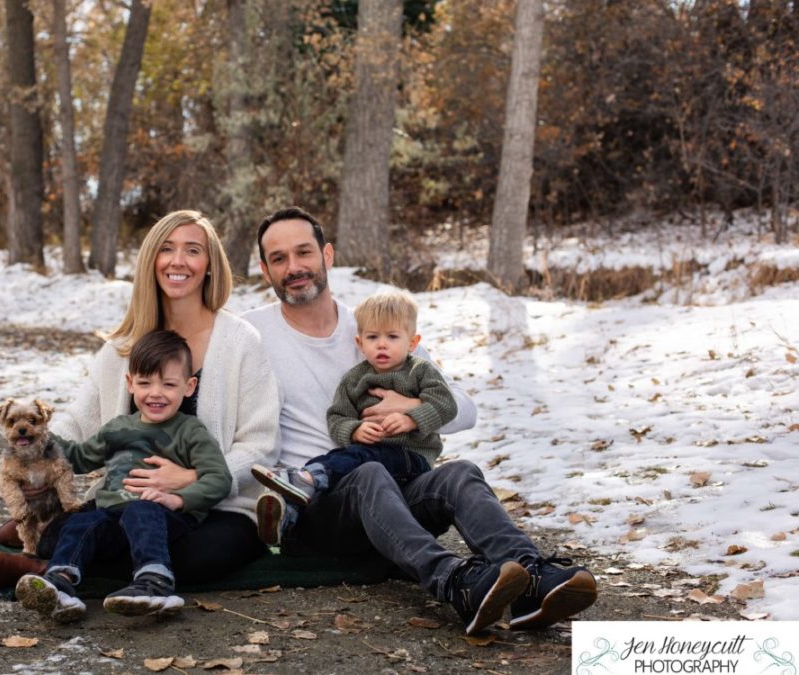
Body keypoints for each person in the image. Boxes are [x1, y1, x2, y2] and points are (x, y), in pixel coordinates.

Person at [242, 206, 598, 636]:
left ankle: (532, 578)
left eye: (304, 252)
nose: (294, 267)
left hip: (395, 494)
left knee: (460, 472)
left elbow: (463, 407)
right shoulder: (251, 335)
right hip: (322, 507)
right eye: (279, 259)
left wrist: (409, 410)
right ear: (265, 270)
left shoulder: (377, 326)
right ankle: (455, 581)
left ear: (328, 255)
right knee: (368, 470)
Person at [0, 210, 280, 588]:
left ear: (209, 265)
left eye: (192, 250)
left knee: (201, 554)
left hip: (209, 508)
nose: (178, 261)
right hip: (121, 501)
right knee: (72, 530)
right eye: (166, 249)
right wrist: (37, 450)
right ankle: (61, 559)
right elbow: (79, 419)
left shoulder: (240, 342)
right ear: (151, 261)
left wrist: (192, 478)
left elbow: (261, 443)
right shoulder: (124, 346)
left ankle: (45, 570)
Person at [14, 330, 232, 622]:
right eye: (145, 383)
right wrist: (45, 440)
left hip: (163, 514)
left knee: (141, 510)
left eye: (168, 384)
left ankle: (155, 582)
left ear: (189, 386)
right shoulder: (117, 428)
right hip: (112, 514)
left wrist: (178, 500)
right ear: (130, 384)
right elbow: (79, 458)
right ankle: (60, 585)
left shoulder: (190, 431)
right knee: (81, 522)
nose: (156, 393)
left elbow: (219, 478)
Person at [250, 289, 458, 541]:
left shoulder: (420, 370)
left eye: (392, 336)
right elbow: (337, 417)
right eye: (373, 337)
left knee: (360, 457)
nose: (382, 344)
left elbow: (446, 403)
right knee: (342, 456)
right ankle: (289, 511)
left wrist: (412, 416)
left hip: (412, 457)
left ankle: (307, 478)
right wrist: (354, 430)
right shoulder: (355, 379)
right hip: (373, 462)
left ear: (412, 342)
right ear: (360, 343)